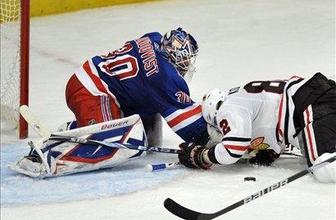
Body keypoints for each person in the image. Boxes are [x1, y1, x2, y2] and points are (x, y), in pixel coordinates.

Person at [12, 28, 209, 177]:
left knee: (151, 134)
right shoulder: (163, 77)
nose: (186, 66)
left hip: (99, 83)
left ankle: (75, 130)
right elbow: (191, 129)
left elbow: (144, 82)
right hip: (91, 92)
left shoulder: (154, 38)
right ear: (175, 55)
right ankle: (47, 159)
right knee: (120, 145)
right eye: (185, 61)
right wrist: (218, 142)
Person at [178, 73, 336, 183]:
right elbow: (272, 118)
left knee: (324, 168)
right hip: (319, 94)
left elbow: (233, 149)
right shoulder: (245, 96)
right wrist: (271, 150)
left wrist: (202, 155)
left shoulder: (227, 106)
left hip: (311, 105)